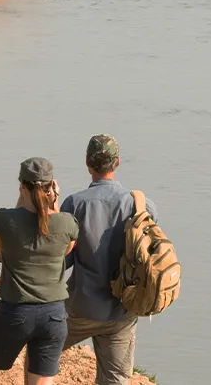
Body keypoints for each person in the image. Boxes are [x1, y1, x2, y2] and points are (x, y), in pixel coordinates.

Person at [59, 135, 157, 385]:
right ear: (118, 162)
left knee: (42, 354)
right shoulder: (140, 205)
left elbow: (63, 261)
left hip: (80, 309)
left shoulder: (74, 204)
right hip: (122, 311)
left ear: (87, 163)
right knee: (115, 379)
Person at [0, 158, 79, 385]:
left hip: (15, 314)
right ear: (52, 187)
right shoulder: (67, 224)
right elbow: (65, 251)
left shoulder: (3, 220)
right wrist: (53, 203)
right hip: (53, 316)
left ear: (22, 185)